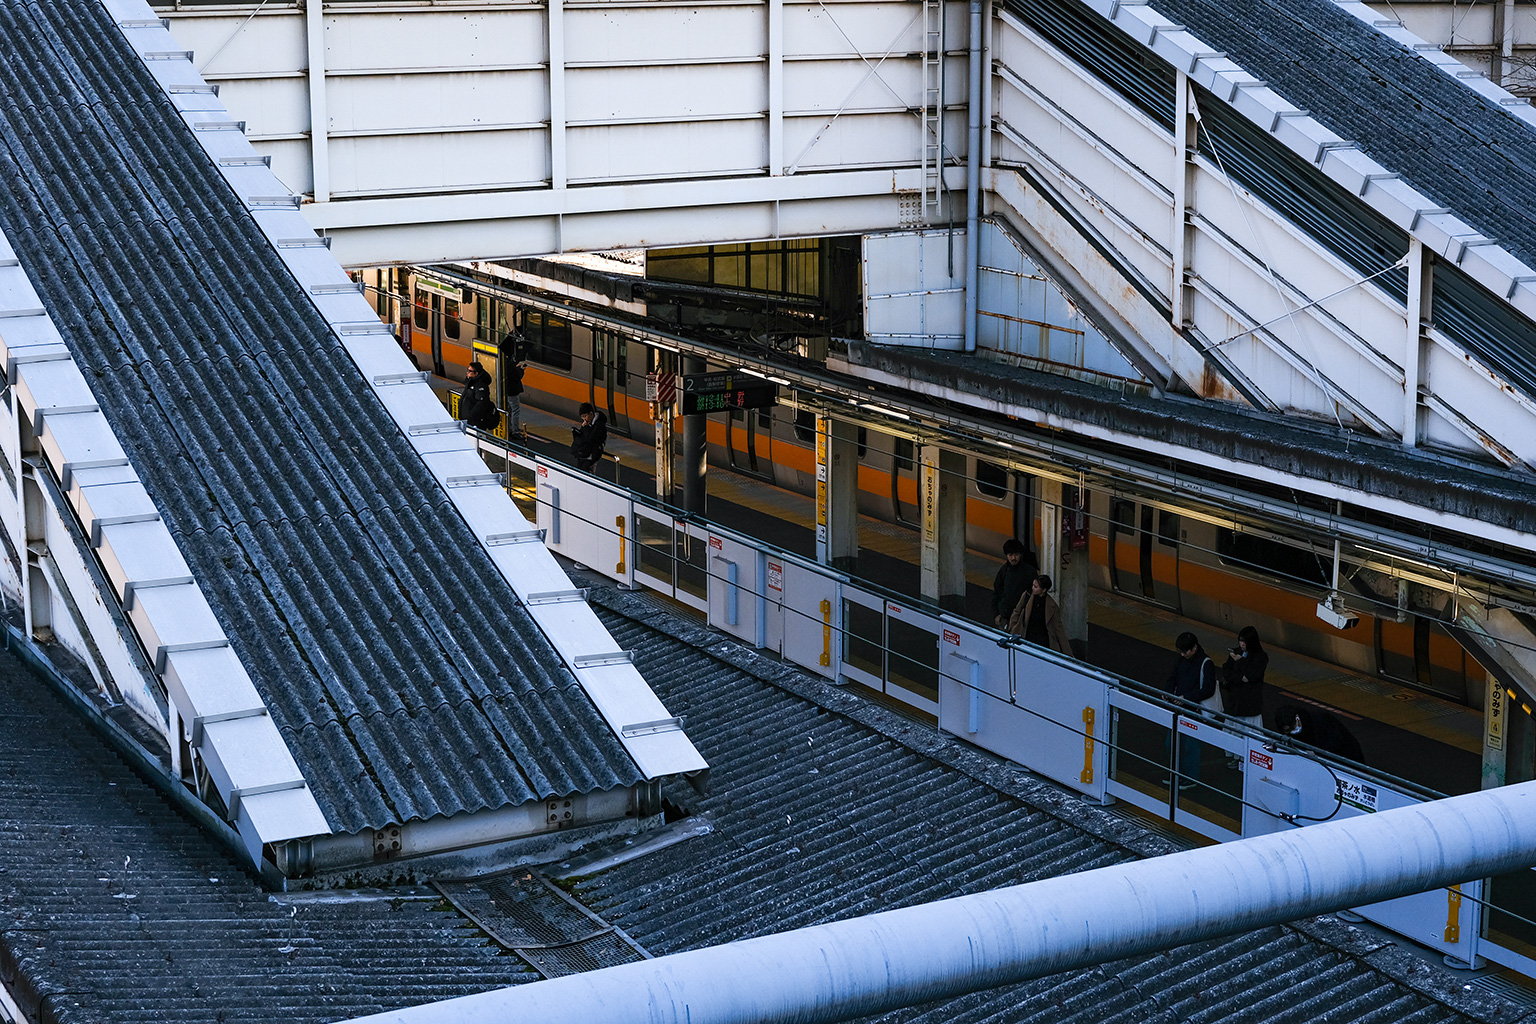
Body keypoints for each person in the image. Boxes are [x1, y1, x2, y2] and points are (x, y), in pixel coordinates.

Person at [1163, 631, 1220, 790]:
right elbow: (1172, 677)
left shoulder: (1206, 663)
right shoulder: (1183, 659)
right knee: (1172, 743)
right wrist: (1168, 692)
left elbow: (1208, 690)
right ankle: (1177, 774)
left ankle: (1190, 777)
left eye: (1185, 651)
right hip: (1179, 706)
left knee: (1190, 746)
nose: (1182, 654)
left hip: (1194, 710)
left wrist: (1185, 697)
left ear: (1194, 648)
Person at [1006, 574, 1072, 656]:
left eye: (1036, 587)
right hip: (1026, 636)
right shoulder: (1027, 595)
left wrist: (1067, 652)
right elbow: (1017, 611)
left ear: (1043, 590)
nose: (1033, 588)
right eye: (1033, 585)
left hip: (1043, 641)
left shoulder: (1052, 606)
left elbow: (1058, 628)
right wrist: (1011, 629)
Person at [1273, 704, 1363, 763]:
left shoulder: (1320, 720)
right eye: (1288, 731)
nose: (1292, 732)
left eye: (1292, 728)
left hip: (1345, 756)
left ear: (1297, 718)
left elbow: (1336, 741)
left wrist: (1315, 753)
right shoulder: (1300, 726)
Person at [1220, 625, 1267, 731]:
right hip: (1235, 703)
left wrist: (1241, 662)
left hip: (1249, 706)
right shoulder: (1236, 652)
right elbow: (1226, 670)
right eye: (1240, 641)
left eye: (1245, 642)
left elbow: (1252, 676)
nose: (1242, 644)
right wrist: (1241, 677)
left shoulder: (1261, 657)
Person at [990, 539, 1038, 628]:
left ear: (1021, 555)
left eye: (1016, 554)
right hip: (1005, 616)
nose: (1013, 558)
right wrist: (996, 614)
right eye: (1010, 555)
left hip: (1022, 616)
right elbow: (997, 592)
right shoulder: (1003, 571)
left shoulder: (1029, 572)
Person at [460, 362, 500, 431]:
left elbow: (481, 403)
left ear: (476, 373)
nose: (467, 372)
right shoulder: (470, 383)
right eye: (468, 370)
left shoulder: (480, 386)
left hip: (475, 422)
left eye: (470, 371)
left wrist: (471, 416)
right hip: (467, 421)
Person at [571, 402, 608, 472]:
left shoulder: (599, 425)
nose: (584, 419)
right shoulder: (588, 423)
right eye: (582, 417)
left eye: (585, 416)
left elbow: (591, 438)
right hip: (584, 452)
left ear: (591, 414)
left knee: (588, 472)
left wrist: (586, 427)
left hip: (592, 454)